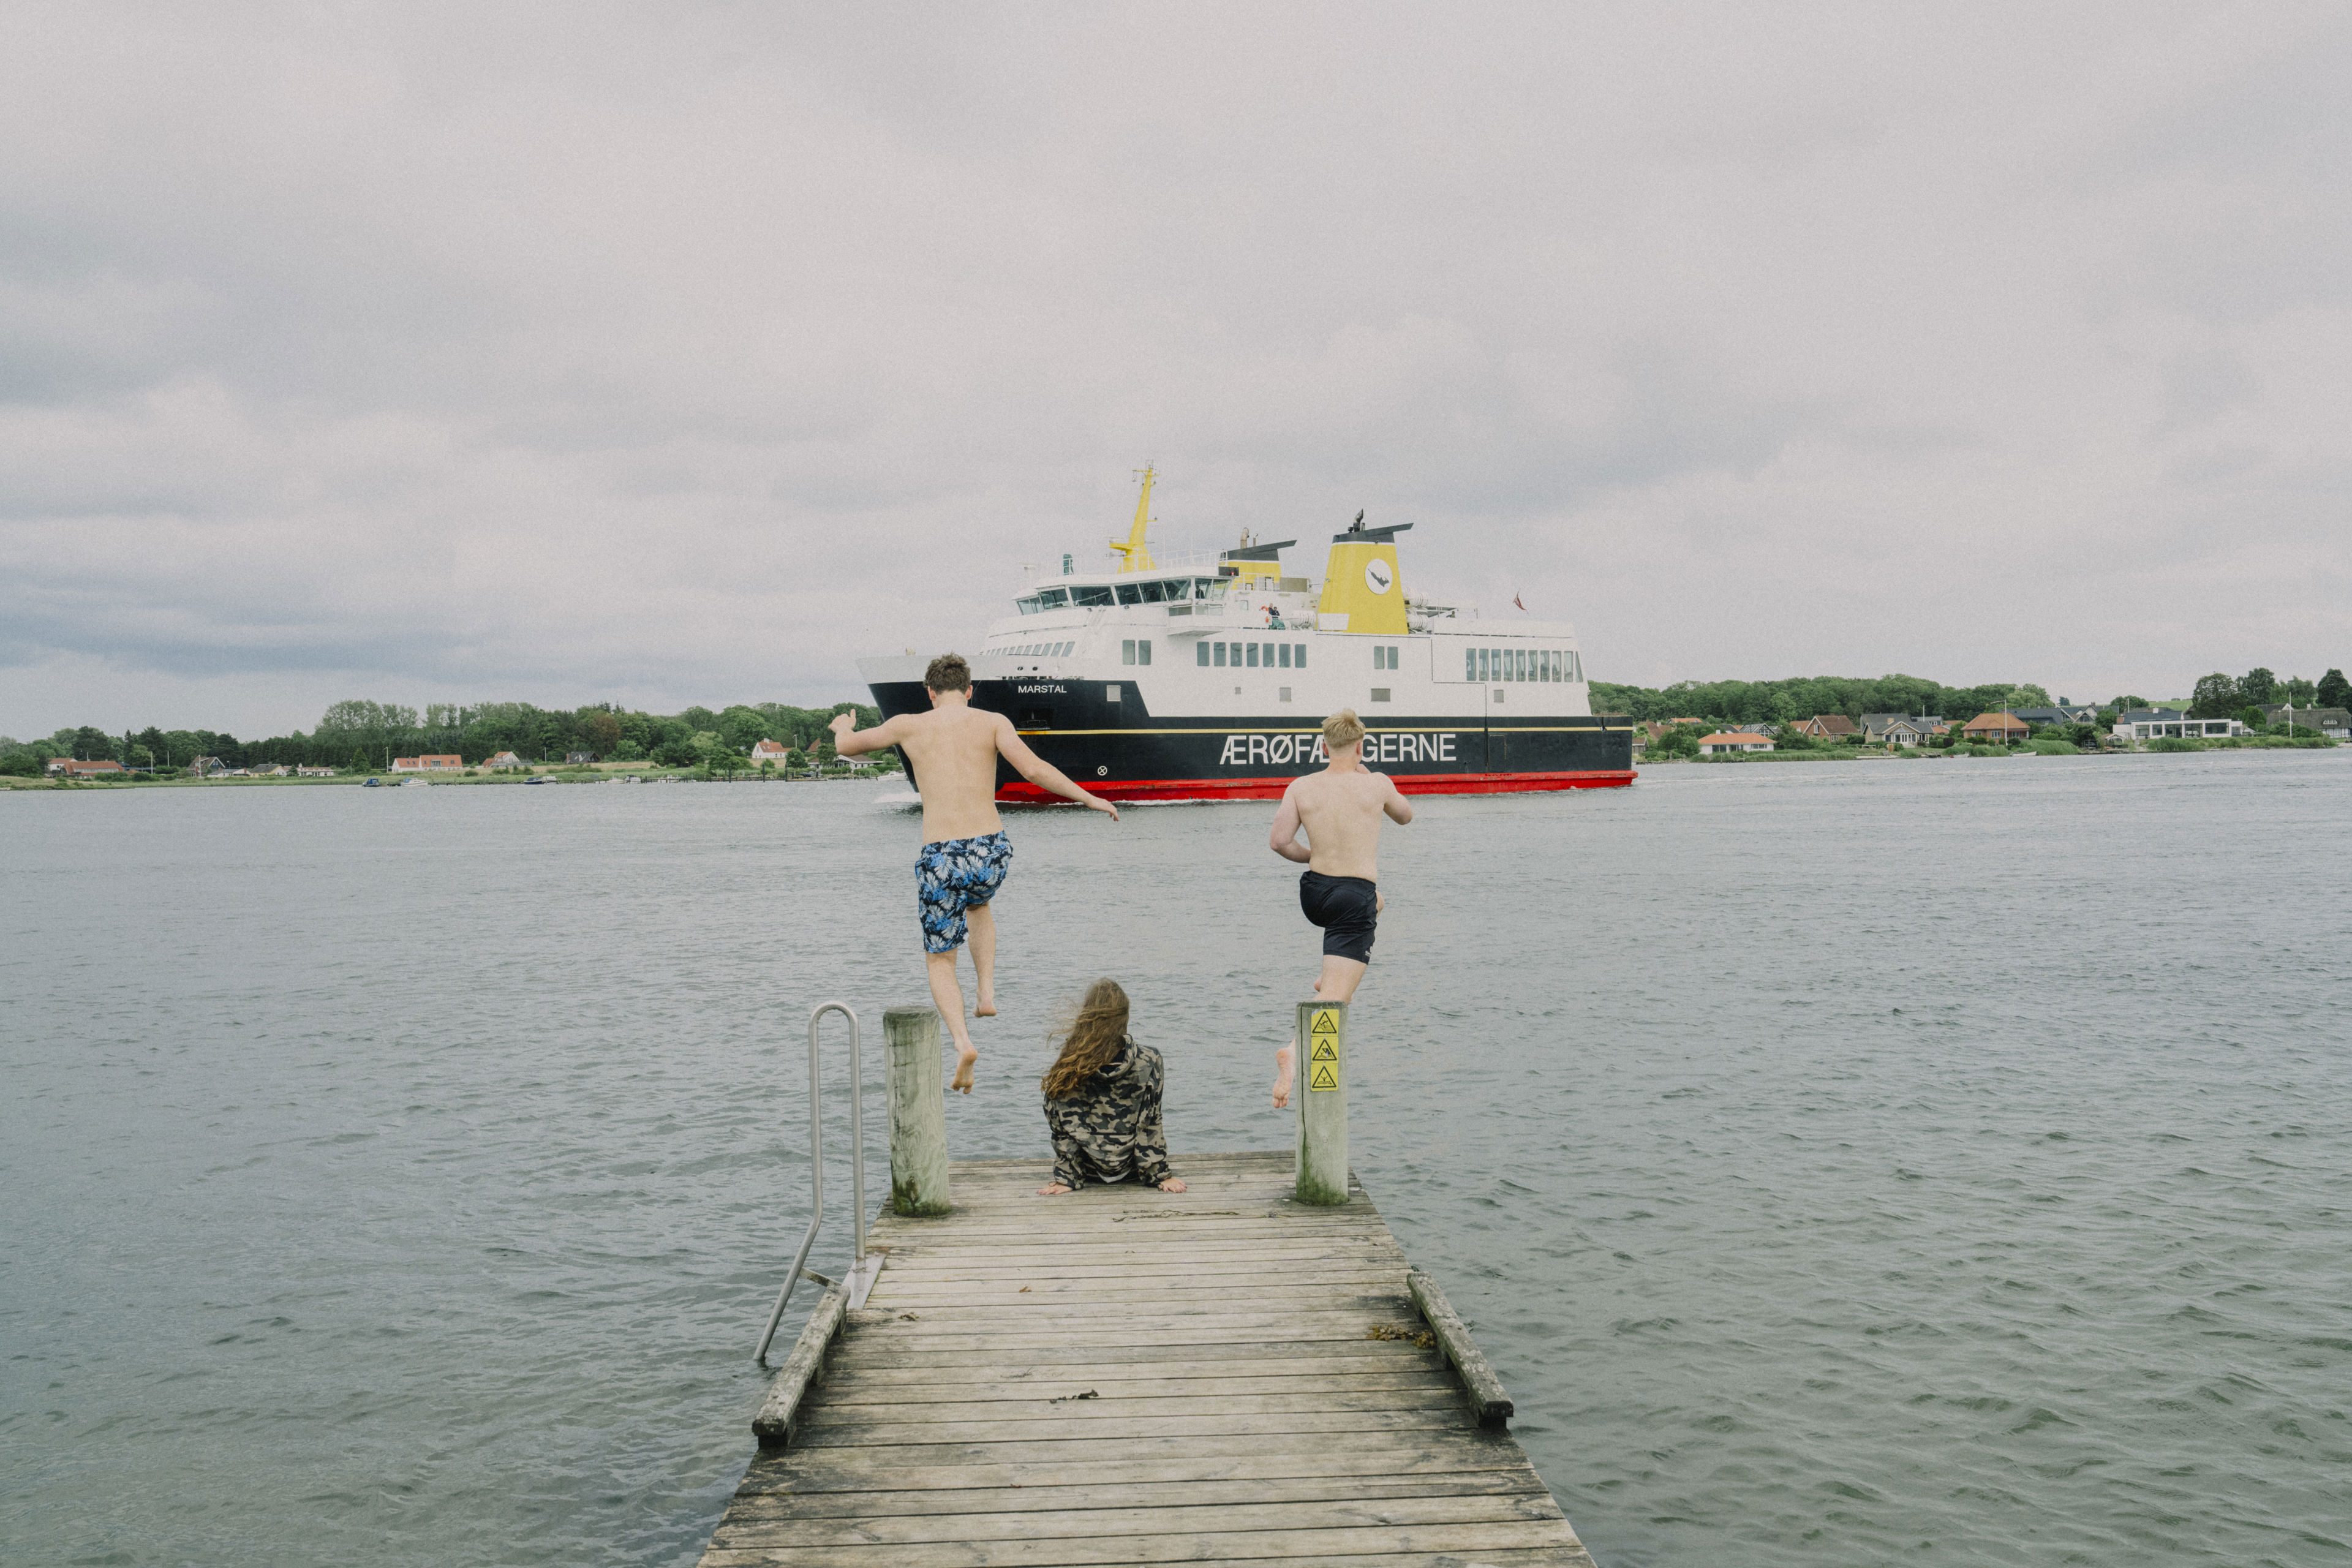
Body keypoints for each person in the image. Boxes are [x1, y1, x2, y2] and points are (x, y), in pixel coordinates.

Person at [830, 654, 1119, 1093]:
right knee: (980, 903)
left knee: (941, 959)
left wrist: (841, 727)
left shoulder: (908, 724)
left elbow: (847, 748)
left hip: (941, 855)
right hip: (991, 849)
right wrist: (1090, 798)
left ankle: (963, 1041)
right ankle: (987, 994)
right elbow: (1035, 769)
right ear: (969, 690)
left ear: (930, 692)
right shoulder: (993, 721)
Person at [1265, 707, 1412, 1108]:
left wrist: (1315, 855)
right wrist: (1377, 782)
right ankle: (1292, 1053)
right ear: (1361, 747)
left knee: (1376, 903)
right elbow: (1406, 816)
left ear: (1323, 745)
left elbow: (1279, 842)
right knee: (1337, 998)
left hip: (1314, 894)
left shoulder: (1300, 786)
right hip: (1352, 897)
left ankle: (1327, 975)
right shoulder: (1377, 783)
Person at [1034, 978, 1186, 1196]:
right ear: (1125, 1019)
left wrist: (1067, 1178)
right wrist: (1160, 1176)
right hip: (1132, 1172)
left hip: (1088, 1173)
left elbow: (1060, 1126)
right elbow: (1151, 1121)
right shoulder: (1149, 1060)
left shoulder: (1071, 1062)